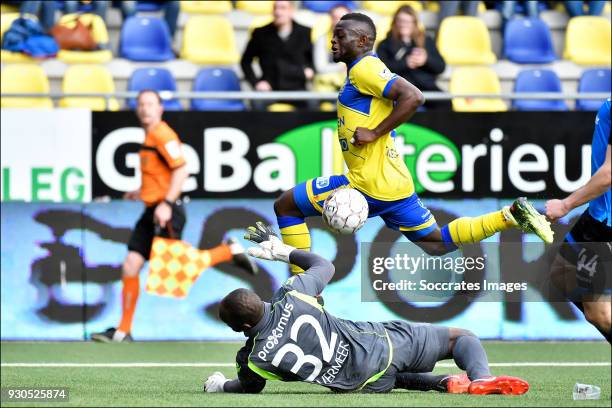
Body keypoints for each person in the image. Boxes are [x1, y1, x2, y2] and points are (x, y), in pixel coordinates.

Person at [273, 12, 553, 275]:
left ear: (362, 41)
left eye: (341, 35)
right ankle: (510, 215)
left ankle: (305, 290)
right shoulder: (364, 71)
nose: (333, 41)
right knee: (436, 243)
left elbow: (413, 96)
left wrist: (374, 132)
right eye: (333, 35)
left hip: (367, 184)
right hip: (394, 183)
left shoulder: (365, 69)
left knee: (287, 206)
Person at [203, 223, 529, 395]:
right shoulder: (292, 294)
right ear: (260, 299)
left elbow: (250, 387)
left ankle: (442, 383)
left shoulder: (254, 358)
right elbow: (323, 265)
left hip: (360, 383)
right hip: (380, 344)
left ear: (240, 329)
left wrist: (221, 385)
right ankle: (482, 378)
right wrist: (282, 252)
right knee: (462, 338)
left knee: (390, 377)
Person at [91, 90, 257, 343]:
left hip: (165, 211)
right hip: (152, 210)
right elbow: (161, 175)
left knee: (173, 274)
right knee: (131, 265)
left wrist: (166, 202)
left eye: (151, 104)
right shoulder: (149, 136)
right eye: (142, 104)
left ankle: (226, 251)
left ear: (160, 109)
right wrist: (142, 192)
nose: (145, 108)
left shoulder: (163, 134)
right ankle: (123, 331)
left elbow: (181, 169)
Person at [544, 98, 611, 343]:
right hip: (598, 213)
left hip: (607, 222)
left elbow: (609, 173)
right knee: (562, 275)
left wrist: (565, 204)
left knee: (600, 314)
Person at [240, 0, 314, 110]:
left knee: (313, 103)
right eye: (275, 8)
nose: (278, 12)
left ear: (292, 11)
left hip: (297, 88)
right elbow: (245, 61)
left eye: (283, 8)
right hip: (270, 89)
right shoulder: (260, 33)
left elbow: (312, 61)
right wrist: (256, 83)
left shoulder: (305, 32)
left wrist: (309, 71)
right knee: (256, 103)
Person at [377, 5, 450, 111]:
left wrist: (426, 60)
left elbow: (441, 67)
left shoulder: (426, 40)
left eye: (408, 22)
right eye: (401, 21)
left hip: (426, 88)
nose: (403, 25)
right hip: (400, 90)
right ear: (395, 22)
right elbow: (382, 71)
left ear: (414, 23)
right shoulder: (385, 44)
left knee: (446, 103)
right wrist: (406, 63)